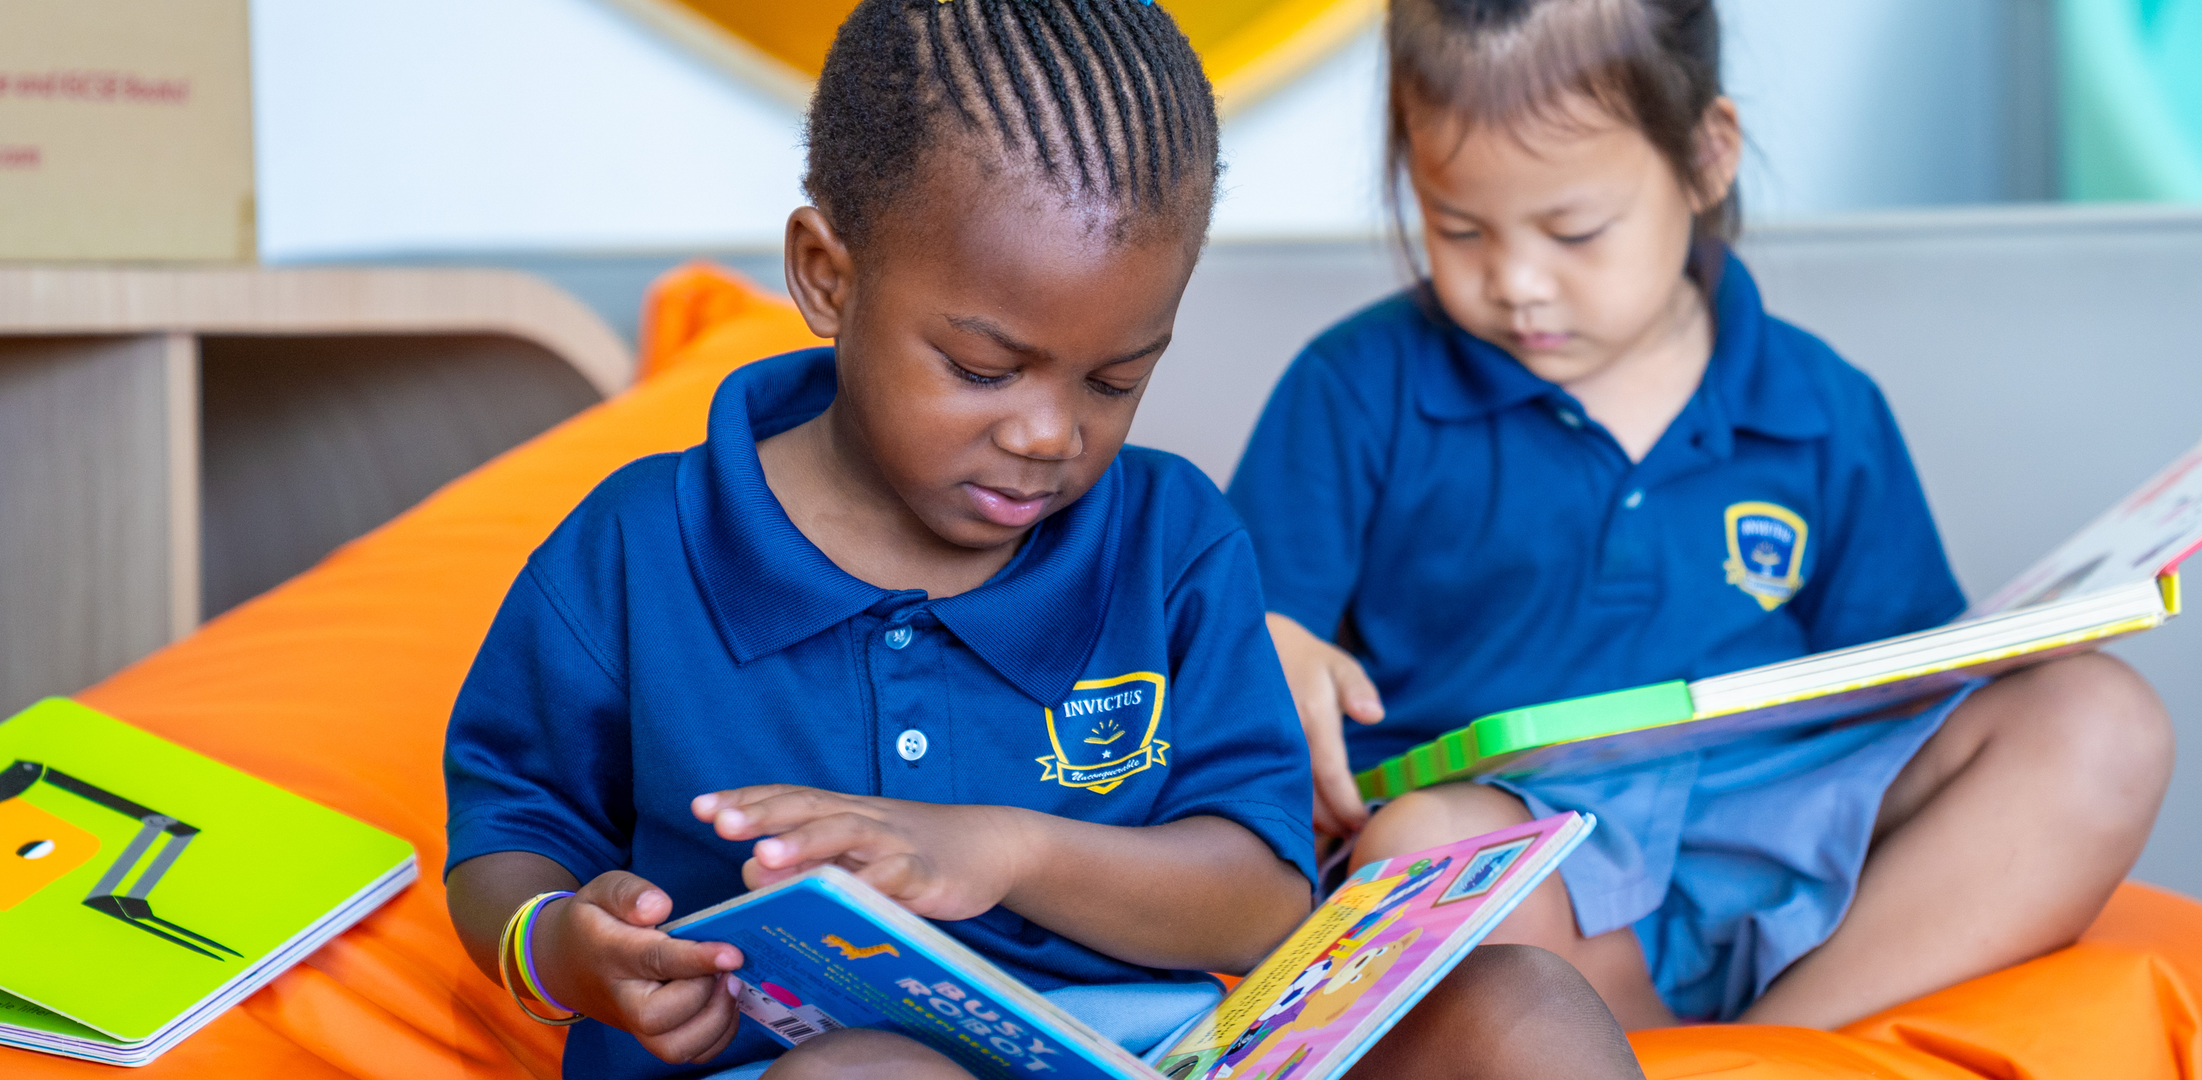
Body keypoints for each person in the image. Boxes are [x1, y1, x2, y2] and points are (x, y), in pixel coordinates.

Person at [441, 2, 1641, 1079]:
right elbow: (510, 834)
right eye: (981, 368)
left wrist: (1005, 852)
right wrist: (561, 950)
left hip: (1154, 1052)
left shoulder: (1171, 542)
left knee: (1520, 1007)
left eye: (1118, 380)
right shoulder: (639, 550)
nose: (1050, 433)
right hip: (797, 1064)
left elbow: (1261, 902)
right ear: (825, 276)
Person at [1227, 0, 2177, 1032]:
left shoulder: (1820, 407)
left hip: (1792, 839)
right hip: (1543, 871)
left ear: (1705, 156)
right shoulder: (1356, 389)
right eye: (1457, 227)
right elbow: (1236, 647)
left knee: (2101, 723)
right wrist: (1275, 648)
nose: (1515, 282)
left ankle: (1782, 1046)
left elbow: (1904, 689)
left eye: (1574, 230)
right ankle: (1672, 1040)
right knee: (1412, 853)